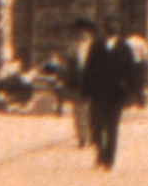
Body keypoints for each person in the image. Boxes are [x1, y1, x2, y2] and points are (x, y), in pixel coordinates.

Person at [81, 16, 141, 169]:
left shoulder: (124, 48)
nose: (111, 28)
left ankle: (109, 158)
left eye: (115, 25)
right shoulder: (97, 45)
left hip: (115, 93)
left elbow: (131, 71)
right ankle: (100, 151)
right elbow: (88, 68)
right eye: (109, 25)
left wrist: (133, 93)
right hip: (98, 92)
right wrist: (85, 91)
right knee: (96, 125)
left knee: (112, 126)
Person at [55, 19, 96, 148]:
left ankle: (90, 135)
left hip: (91, 77)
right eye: (80, 33)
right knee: (78, 107)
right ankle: (82, 137)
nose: (82, 35)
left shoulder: (95, 46)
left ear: (90, 33)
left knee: (90, 108)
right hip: (77, 78)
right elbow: (68, 61)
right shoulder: (74, 46)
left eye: (85, 32)